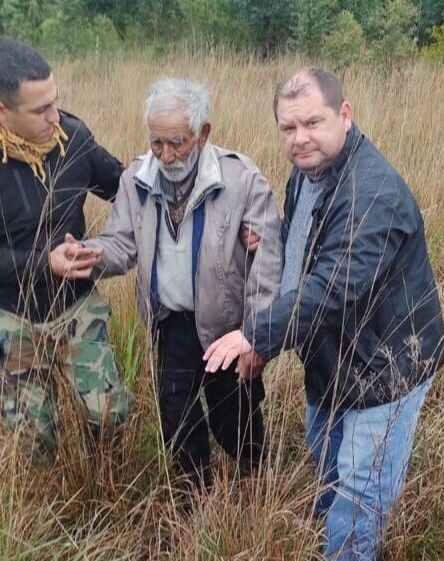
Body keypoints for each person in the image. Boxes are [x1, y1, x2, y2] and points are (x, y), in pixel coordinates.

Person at [204, 68, 444, 559]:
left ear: (344, 114)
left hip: (385, 366)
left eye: (313, 123)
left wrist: (257, 335)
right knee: (328, 460)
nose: (300, 139)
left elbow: (331, 287)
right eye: (288, 128)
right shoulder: (309, 172)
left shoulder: (371, 193)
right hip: (331, 354)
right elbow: (305, 245)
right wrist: (271, 233)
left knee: (360, 498)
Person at [59, 77, 282, 488]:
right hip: (170, 324)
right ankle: (197, 497)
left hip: (228, 326)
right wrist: (88, 254)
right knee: (177, 422)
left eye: (177, 142)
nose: (166, 154)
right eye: (157, 143)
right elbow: (121, 244)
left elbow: (268, 263)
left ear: (203, 134)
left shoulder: (241, 179)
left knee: (236, 419)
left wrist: (258, 336)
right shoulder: (136, 180)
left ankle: (257, 482)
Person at [0, 38, 134, 455]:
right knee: (34, 438)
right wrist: (46, 263)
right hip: (11, 312)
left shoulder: (72, 138)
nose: (54, 116)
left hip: (75, 302)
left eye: (55, 102)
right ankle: (50, 498)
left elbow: (129, 190)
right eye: (40, 110)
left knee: (111, 413)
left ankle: (103, 477)